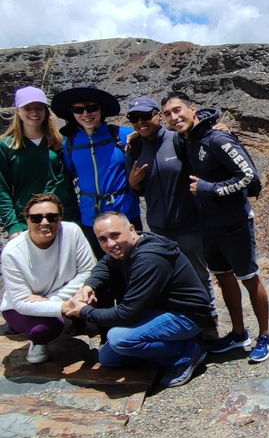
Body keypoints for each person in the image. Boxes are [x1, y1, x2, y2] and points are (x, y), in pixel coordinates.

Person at [161, 91, 269, 363]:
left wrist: (209, 189)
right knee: (223, 277)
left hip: (234, 222)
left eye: (178, 110)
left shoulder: (217, 138)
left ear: (191, 108)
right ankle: (238, 333)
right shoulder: (189, 139)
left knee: (248, 277)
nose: (174, 117)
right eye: (167, 114)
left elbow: (248, 176)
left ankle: (265, 336)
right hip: (209, 224)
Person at [63, 211, 213, 388]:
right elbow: (105, 263)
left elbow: (128, 313)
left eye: (114, 235)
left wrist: (84, 312)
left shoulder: (149, 258)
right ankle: (167, 347)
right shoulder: (126, 248)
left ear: (132, 229)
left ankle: (186, 353)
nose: (110, 244)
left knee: (119, 339)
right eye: (102, 239)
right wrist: (90, 285)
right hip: (156, 309)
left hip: (187, 315)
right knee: (108, 358)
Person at [124, 96, 218, 327]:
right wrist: (133, 183)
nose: (140, 122)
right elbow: (140, 190)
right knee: (165, 279)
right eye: (134, 118)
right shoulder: (134, 147)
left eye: (145, 116)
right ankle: (178, 325)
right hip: (157, 229)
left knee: (198, 276)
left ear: (158, 115)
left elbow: (204, 138)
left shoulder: (178, 139)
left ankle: (208, 324)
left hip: (189, 226)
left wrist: (219, 127)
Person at [1, 194, 96, 363]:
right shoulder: (12, 252)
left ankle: (105, 337)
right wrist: (64, 305)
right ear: (27, 220)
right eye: (36, 218)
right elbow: (21, 301)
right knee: (43, 329)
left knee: (101, 287)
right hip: (19, 308)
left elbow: (88, 272)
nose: (44, 223)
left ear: (60, 217)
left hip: (58, 296)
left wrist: (52, 300)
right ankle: (38, 343)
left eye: (52, 217)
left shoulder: (72, 232)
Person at [51, 86, 142, 259]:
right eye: (79, 110)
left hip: (125, 212)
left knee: (135, 262)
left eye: (92, 108)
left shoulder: (123, 135)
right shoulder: (69, 143)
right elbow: (69, 174)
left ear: (101, 110)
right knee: (103, 266)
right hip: (90, 217)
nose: (86, 114)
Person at [0, 86, 79, 238]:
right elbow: (2, 189)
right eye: (28, 108)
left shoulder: (60, 142)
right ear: (18, 111)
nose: (34, 112)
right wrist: (12, 226)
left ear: (46, 111)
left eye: (39, 108)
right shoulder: (6, 145)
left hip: (65, 218)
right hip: (29, 221)